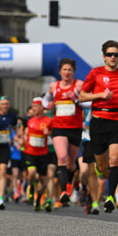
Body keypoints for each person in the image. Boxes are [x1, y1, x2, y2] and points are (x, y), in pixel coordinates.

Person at [79, 40, 118, 214]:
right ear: (104, 56)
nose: (112, 57)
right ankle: (100, 170)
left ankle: (110, 197)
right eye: (109, 54)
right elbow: (82, 96)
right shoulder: (95, 73)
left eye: (116, 55)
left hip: (117, 120)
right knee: (102, 167)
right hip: (98, 120)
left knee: (115, 160)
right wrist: (100, 95)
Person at [42, 58, 85, 205]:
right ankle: (64, 192)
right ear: (60, 72)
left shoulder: (79, 85)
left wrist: (78, 100)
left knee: (71, 165)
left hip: (75, 128)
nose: (67, 72)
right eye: (64, 70)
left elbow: (91, 102)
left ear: (73, 72)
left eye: (70, 70)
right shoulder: (54, 86)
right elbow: (44, 100)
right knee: (61, 158)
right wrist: (47, 104)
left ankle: (69, 185)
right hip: (59, 127)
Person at [23, 98, 54, 212]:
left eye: (35, 106)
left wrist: (49, 133)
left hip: (43, 154)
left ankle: (39, 198)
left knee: (42, 180)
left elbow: (54, 133)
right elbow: (26, 133)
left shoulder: (49, 121)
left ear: (41, 107)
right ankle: (31, 188)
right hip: (30, 152)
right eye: (32, 106)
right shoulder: (29, 120)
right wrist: (23, 140)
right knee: (31, 172)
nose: (33, 109)